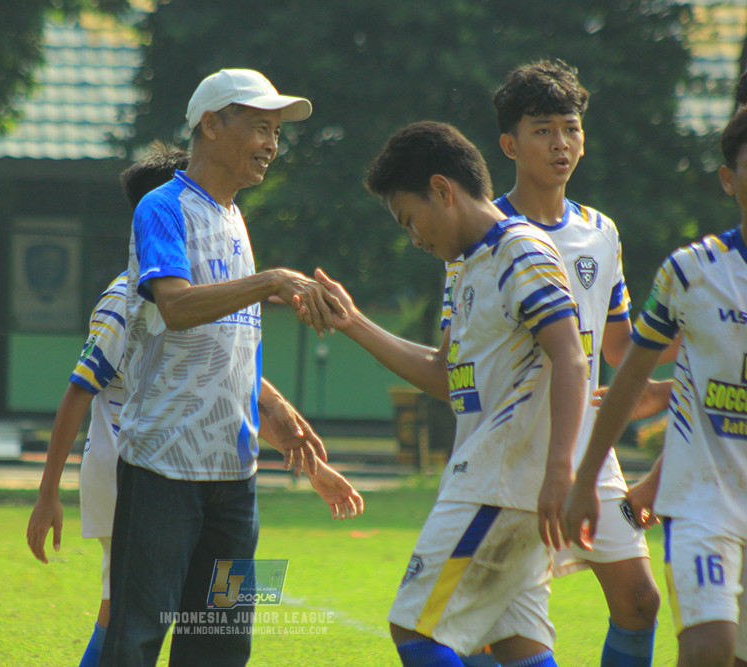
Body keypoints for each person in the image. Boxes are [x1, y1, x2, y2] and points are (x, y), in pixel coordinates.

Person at [25, 144, 363, 667]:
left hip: (208, 472)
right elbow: (79, 389)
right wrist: (48, 492)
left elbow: (226, 376)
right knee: (130, 616)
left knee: (207, 616)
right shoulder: (127, 297)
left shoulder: (219, 266)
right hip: (138, 469)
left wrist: (310, 462)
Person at [314, 120, 588, 666]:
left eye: (409, 220)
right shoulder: (464, 266)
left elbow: (571, 356)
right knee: (518, 647)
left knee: (415, 630)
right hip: (503, 485)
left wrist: (562, 469)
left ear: (442, 189)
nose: (413, 238)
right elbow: (446, 374)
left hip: (497, 481)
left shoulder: (520, 249)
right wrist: (354, 323)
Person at [100, 68, 347, 666]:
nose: (272, 143)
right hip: (162, 471)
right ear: (210, 125)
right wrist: (269, 281)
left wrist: (272, 409)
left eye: (277, 132)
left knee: (222, 641)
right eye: (261, 126)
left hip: (235, 481)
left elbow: (227, 342)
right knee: (136, 636)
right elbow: (179, 307)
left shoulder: (236, 218)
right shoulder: (164, 209)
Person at [476, 60, 659, 666]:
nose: (561, 143)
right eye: (543, 130)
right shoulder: (485, 234)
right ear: (510, 144)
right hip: (511, 452)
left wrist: (682, 353)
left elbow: (616, 348)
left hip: (588, 453)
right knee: (502, 630)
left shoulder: (600, 231)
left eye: (571, 128)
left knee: (639, 600)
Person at [564, 107, 747, 667]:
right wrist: (587, 480)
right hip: (704, 505)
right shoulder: (690, 272)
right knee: (708, 646)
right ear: (727, 178)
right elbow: (628, 375)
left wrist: (671, 397)